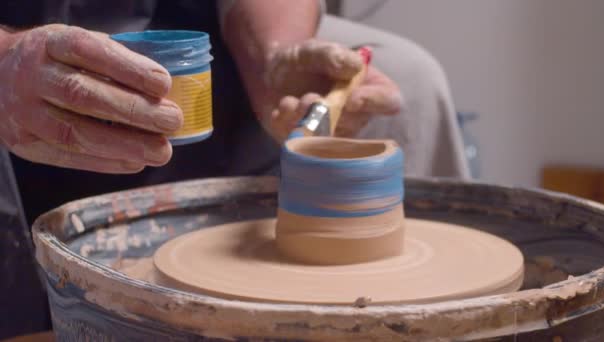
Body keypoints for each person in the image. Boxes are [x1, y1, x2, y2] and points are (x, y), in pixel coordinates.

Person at [0, 0, 469, 339]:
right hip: (15, 50)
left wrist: (273, 57)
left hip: (198, 35)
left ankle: (422, 312)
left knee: (409, 79)